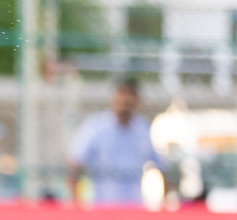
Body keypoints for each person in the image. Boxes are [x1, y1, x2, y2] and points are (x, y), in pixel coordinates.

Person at [65, 78, 164, 207]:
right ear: (113, 97)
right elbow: (74, 164)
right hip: (102, 208)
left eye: (130, 95)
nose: (125, 100)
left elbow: (163, 167)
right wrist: (77, 204)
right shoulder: (95, 127)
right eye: (121, 94)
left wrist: (163, 205)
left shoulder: (144, 130)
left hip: (134, 207)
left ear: (138, 100)